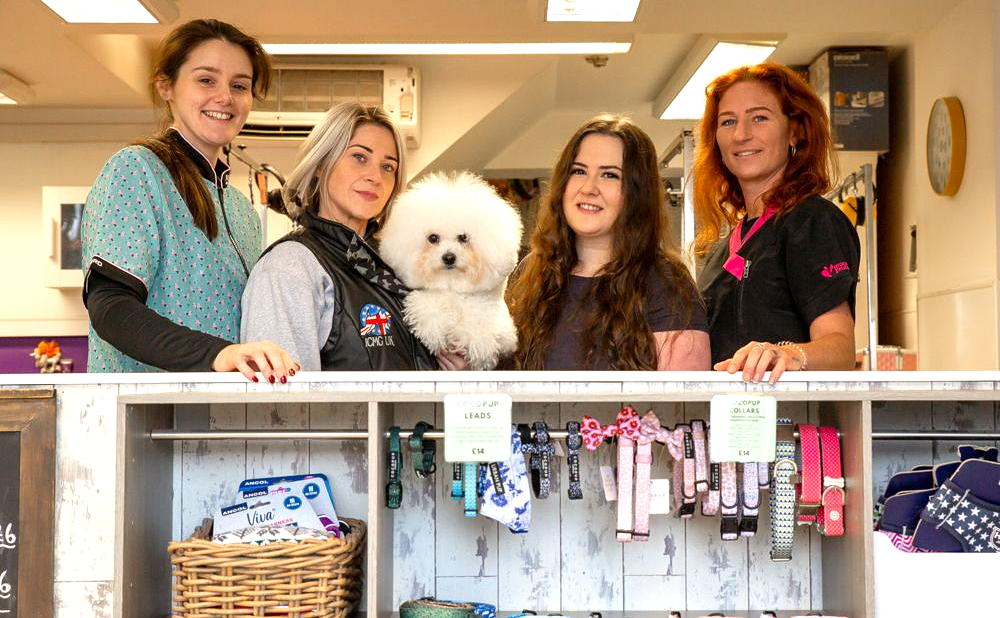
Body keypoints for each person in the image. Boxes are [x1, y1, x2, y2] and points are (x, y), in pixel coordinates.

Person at [81, 18, 297, 382]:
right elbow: (111, 310)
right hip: (140, 415)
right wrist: (219, 354)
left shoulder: (240, 209)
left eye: (239, 85)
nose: (225, 97)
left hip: (211, 416)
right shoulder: (136, 170)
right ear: (165, 85)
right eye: (206, 80)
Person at [240, 103, 447, 371]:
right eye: (359, 157)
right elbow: (281, 404)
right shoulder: (289, 266)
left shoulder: (394, 263)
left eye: (388, 167)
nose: (375, 177)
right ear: (321, 163)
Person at [693, 61, 861, 383]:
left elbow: (840, 349)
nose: (741, 135)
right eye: (728, 122)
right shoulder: (724, 245)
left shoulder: (812, 223)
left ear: (794, 130)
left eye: (759, 117)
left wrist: (787, 354)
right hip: (728, 421)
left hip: (787, 421)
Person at [506, 114, 711, 370]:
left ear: (637, 193)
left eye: (610, 175)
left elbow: (681, 406)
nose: (589, 187)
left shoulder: (667, 285)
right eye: (578, 171)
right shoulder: (529, 274)